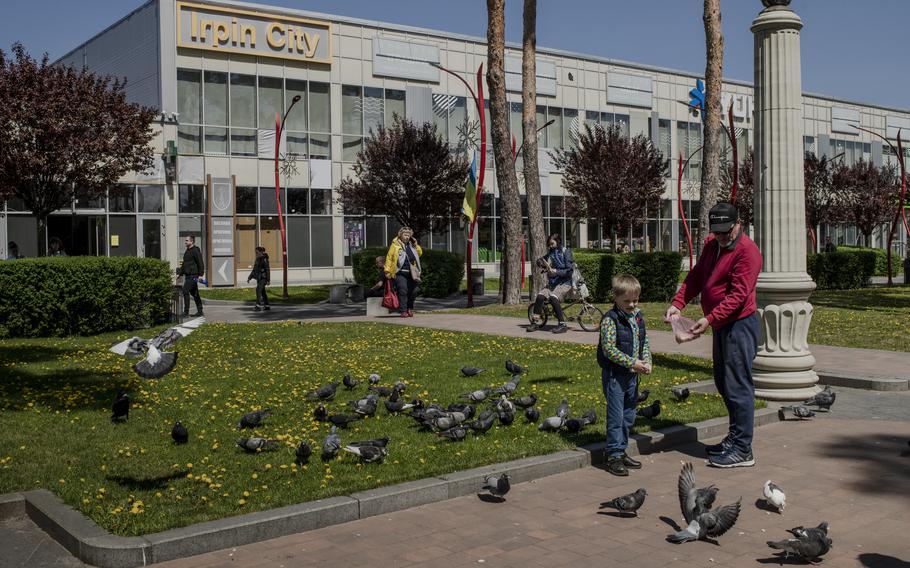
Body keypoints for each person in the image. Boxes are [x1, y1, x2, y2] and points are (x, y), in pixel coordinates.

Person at [665, 202, 762, 468]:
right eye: (716, 231)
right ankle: (735, 436)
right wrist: (678, 303)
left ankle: (743, 449)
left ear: (737, 225)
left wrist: (709, 319)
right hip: (721, 325)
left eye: (725, 232)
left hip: (740, 325)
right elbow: (697, 276)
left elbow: (738, 296)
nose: (720, 237)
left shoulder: (748, 252)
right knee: (723, 382)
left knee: (738, 386)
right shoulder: (712, 245)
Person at [598, 274, 652, 476]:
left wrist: (646, 361)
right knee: (616, 416)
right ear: (616, 298)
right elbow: (609, 350)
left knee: (629, 415)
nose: (632, 304)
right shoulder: (610, 320)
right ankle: (613, 455)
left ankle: (621, 449)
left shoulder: (637, 317)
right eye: (627, 301)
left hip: (631, 376)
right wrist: (632, 363)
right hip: (615, 376)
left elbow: (644, 342)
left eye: (635, 300)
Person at [528, 233, 573, 334]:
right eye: (549, 245)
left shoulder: (566, 252)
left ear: (558, 241)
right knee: (540, 296)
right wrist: (540, 263)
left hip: (565, 283)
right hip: (553, 283)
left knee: (553, 297)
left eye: (552, 244)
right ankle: (535, 323)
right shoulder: (551, 253)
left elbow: (569, 271)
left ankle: (562, 324)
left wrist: (556, 271)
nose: (550, 246)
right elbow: (540, 260)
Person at [384, 227, 422, 317]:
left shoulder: (412, 245)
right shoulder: (395, 245)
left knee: (414, 291)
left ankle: (409, 308)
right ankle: (403, 311)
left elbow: (419, 253)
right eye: (405, 235)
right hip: (400, 272)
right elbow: (389, 258)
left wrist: (416, 245)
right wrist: (387, 271)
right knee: (403, 290)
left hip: (412, 273)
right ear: (400, 235)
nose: (407, 237)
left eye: (408, 235)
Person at [179, 235, 205, 317]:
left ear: (191, 241)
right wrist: (179, 273)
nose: (185, 242)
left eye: (187, 240)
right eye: (185, 240)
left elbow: (200, 262)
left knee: (185, 291)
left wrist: (201, 274)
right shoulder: (187, 251)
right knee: (195, 293)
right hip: (188, 275)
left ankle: (186, 312)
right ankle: (200, 311)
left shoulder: (195, 250)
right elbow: (184, 264)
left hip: (194, 275)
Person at [247, 246, 271, 311]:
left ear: (261, 252)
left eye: (257, 252)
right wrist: (250, 277)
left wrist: (268, 280)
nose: (256, 254)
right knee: (262, 292)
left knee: (258, 290)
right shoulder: (257, 259)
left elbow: (267, 269)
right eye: (255, 252)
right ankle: (267, 305)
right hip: (259, 278)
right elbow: (254, 269)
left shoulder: (264, 259)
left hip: (264, 278)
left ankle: (258, 305)